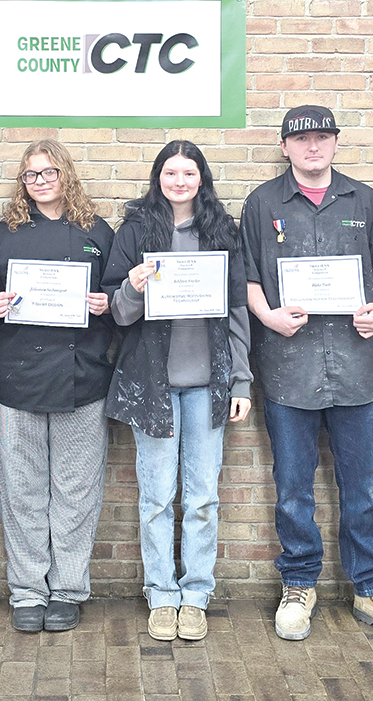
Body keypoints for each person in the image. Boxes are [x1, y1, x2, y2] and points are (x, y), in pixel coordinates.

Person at [240, 105, 373, 646]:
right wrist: (268, 316)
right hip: (288, 372)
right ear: (285, 147)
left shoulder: (364, 201)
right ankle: (299, 585)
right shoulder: (262, 204)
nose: (312, 147)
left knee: (363, 489)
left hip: (356, 371)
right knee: (293, 489)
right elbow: (248, 278)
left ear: (336, 144)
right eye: (302, 140)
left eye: (322, 138)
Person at [102, 140, 252, 642]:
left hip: (209, 387)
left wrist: (242, 380)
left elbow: (236, 312)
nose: (180, 181)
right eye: (171, 172)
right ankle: (161, 594)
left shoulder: (222, 232)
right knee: (157, 497)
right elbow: (117, 314)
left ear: (201, 179)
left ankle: (196, 594)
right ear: (157, 177)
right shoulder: (136, 231)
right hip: (153, 386)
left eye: (189, 173)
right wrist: (134, 286)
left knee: (204, 497)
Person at [0, 140, 115, 633]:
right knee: (22, 491)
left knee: (76, 491)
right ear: (22, 182)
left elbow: (119, 294)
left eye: (49, 172)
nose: (40, 181)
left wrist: (106, 303)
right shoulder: (5, 234)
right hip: (17, 378)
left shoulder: (97, 232)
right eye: (31, 175)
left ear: (66, 174)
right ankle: (28, 590)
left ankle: (68, 589)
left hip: (83, 378)